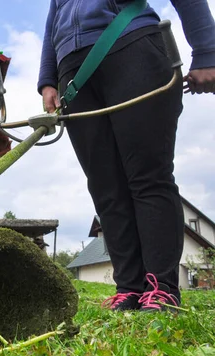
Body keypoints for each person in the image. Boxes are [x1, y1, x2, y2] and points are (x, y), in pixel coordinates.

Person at [38, 0, 215, 311]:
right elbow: (54, 16)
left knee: (148, 176)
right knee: (105, 187)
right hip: (74, 73)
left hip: (131, 45)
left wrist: (207, 50)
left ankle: (160, 288)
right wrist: (47, 79)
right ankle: (129, 289)